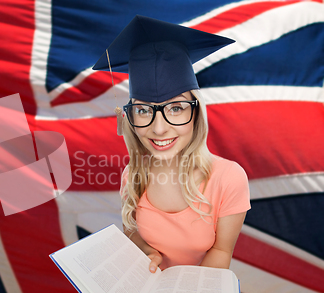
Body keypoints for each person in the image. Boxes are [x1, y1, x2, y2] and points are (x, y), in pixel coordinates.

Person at [93, 15, 251, 272]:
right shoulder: (133, 174)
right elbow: (132, 232)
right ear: (129, 116)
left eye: (176, 108)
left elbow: (221, 251)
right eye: (143, 111)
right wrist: (145, 252)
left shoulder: (228, 178)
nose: (158, 128)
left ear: (197, 111)